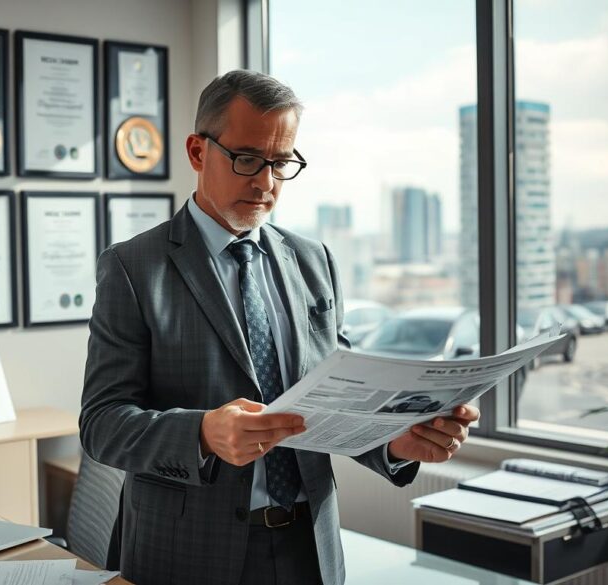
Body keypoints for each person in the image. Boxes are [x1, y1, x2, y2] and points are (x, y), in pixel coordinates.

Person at [80, 69, 480, 585]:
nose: (266, 182)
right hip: (185, 554)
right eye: (247, 159)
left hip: (308, 548)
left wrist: (395, 442)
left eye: (281, 162)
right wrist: (202, 433)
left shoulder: (314, 262)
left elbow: (333, 404)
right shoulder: (134, 268)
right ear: (198, 152)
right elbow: (102, 424)